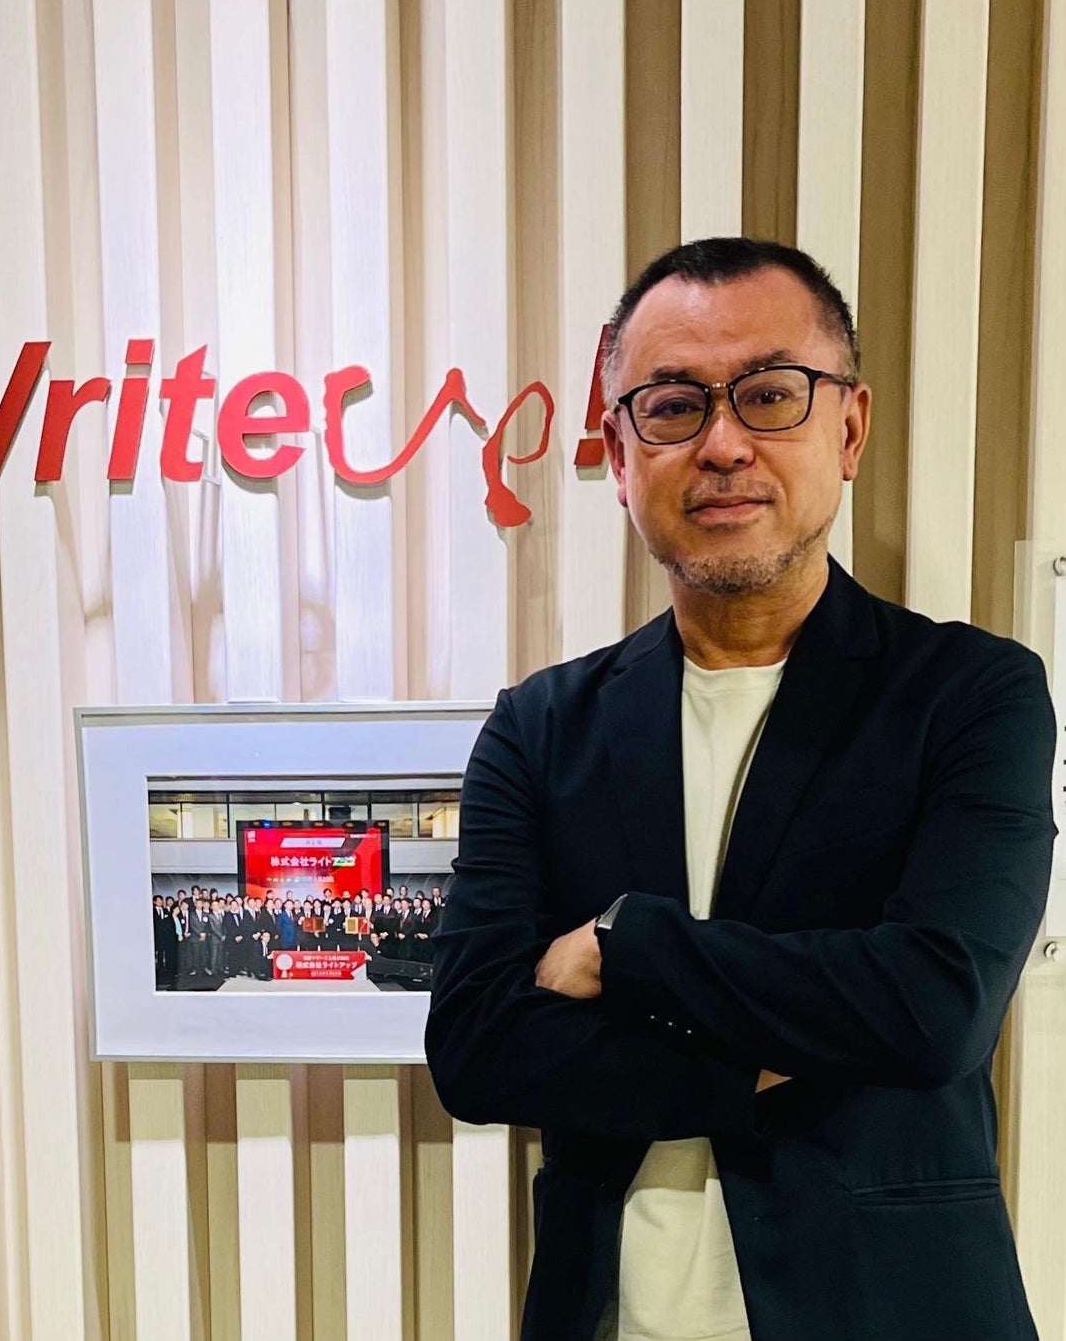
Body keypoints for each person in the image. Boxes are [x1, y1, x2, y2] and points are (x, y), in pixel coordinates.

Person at [425, 237, 1057, 1341]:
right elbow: (478, 1050)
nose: (721, 445)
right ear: (620, 455)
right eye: (672, 407)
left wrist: (624, 945)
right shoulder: (539, 728)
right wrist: (772, 1060)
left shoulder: (968, 695)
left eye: (769, 395)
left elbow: (932, 1008)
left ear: (848, 429)